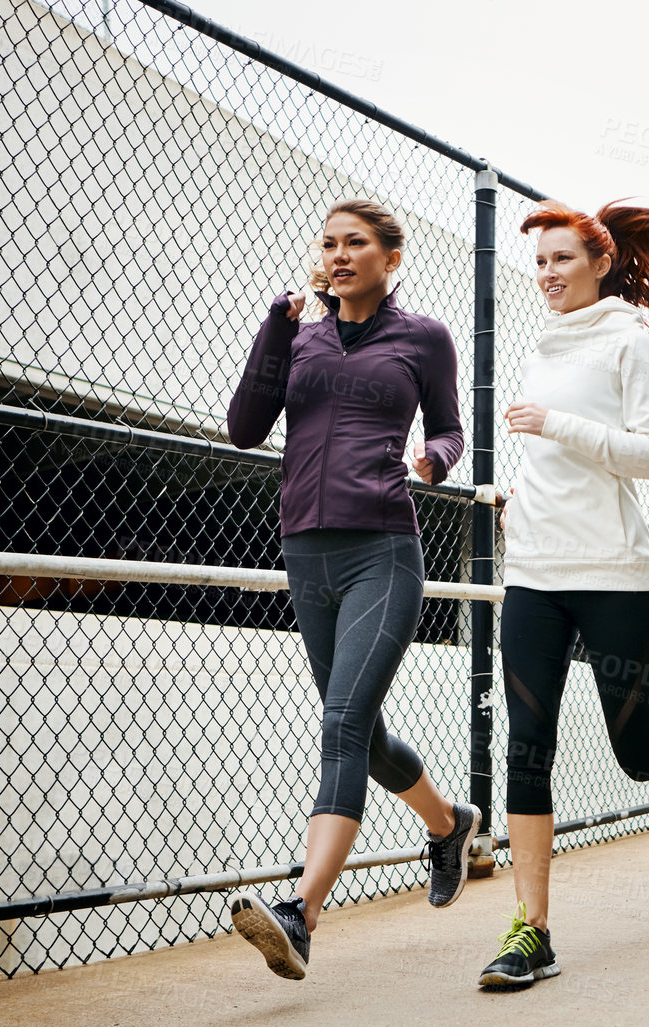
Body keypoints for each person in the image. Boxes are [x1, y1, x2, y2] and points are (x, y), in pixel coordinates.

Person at [477, 199, 649, 991]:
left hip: (612, 574)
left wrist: (557, 427)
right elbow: (550, 456)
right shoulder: (540, 349)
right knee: (526, 746)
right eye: (539, 263)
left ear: (598, 263)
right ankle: (533, 930)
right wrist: (520, 493)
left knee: (634, 753)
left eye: (560, 259)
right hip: (533, 574)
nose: (547, 274)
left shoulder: (627, 343)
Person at [222, 199, 478, 980]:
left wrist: (432, 460)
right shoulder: (297, 337)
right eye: (328, 243)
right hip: (304, 550)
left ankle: (300, 912)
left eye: (355, 243)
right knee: (360, 738)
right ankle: (447, 822)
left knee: (340, 722)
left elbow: (450, 427)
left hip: (383, 551)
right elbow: (243, 428)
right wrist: (274, 328)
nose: (338, 255)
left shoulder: (423, 337)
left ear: (388, 258)